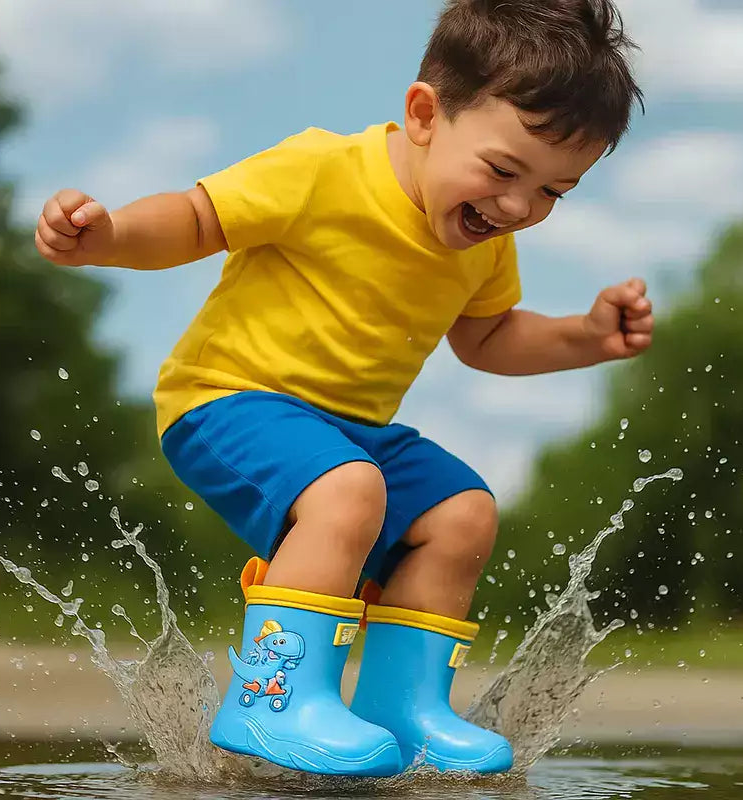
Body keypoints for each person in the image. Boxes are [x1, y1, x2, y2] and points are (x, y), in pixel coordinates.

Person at [35, 0, 651, 777]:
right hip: (225, 400)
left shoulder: (484, 242)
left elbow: (489, 338)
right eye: (503, 171)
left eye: (554, 192)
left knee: (461, 512)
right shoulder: (323, 170)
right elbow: (195, 219)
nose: (519, 207)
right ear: (424, 114)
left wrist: (586, 337)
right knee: (350, 489)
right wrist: (110, 235)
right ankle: (271, 698)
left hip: (350, 432)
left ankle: (401, 707)